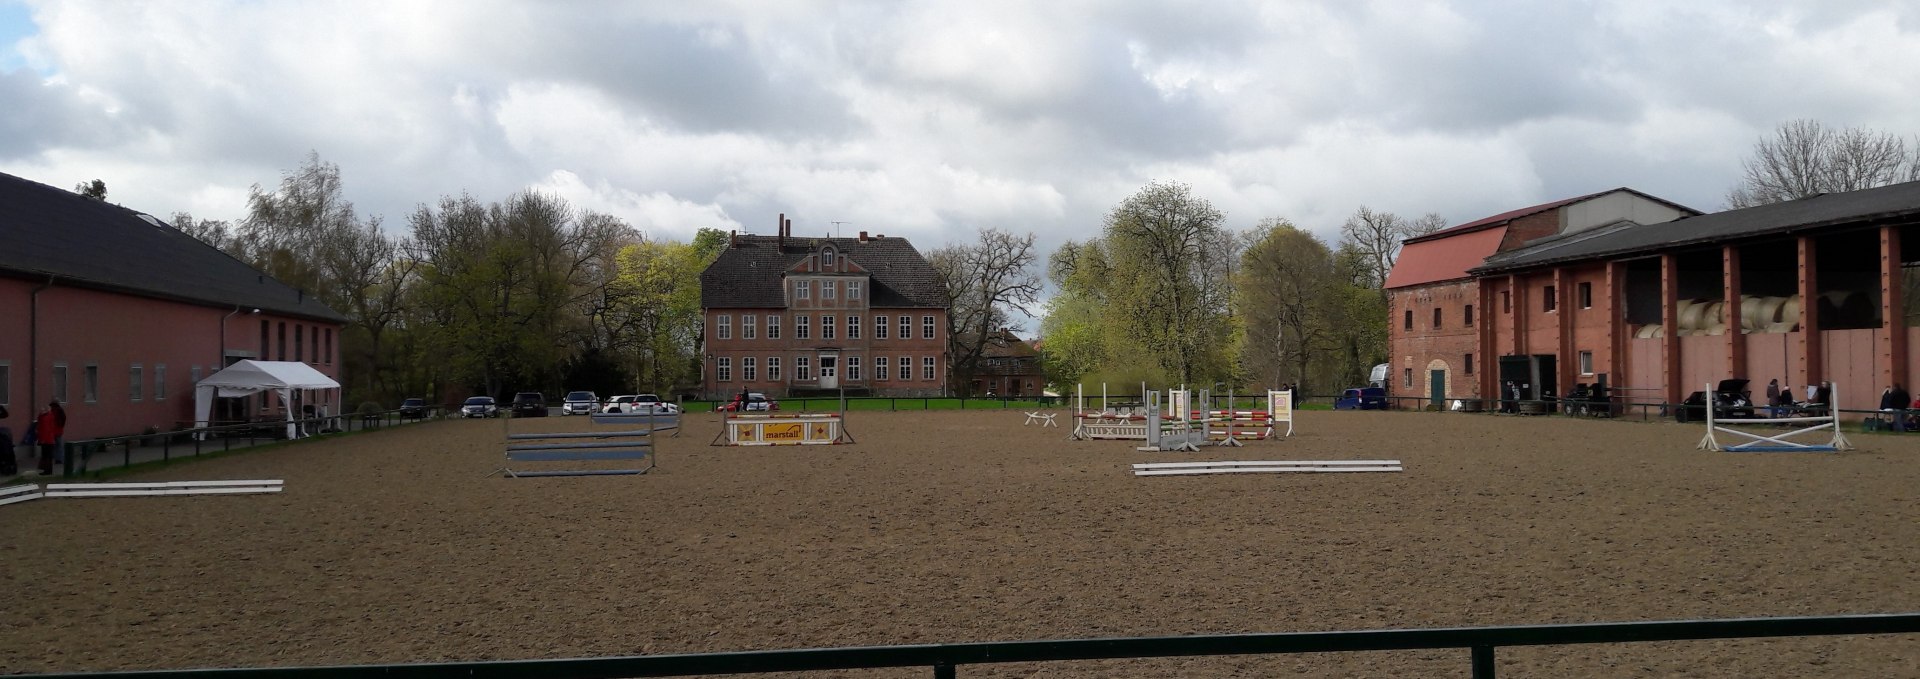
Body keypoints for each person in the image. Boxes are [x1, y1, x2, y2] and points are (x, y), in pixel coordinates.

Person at [35, 400, 64, 476]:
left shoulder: (48, 417)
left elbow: (46, 429)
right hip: (47, 439)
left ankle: (47, 470)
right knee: (47, 455)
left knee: (47, 455)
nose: (41, 410)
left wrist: (43, 439)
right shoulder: (46, 416)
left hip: (47, 439)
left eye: (43, 409)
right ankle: (47, 470)